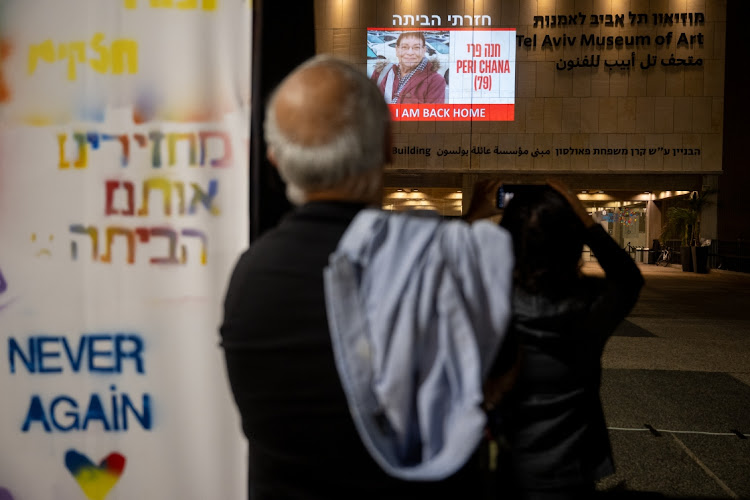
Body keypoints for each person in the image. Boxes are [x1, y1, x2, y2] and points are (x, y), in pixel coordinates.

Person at [219, 55, 517, 499]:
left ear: (274, 158)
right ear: (388, 144)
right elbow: (498, 378)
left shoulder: (250, 276)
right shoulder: (448, 261)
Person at [495, 182, 644, 500]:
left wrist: (475, 217)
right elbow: (628, 278)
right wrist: (586, 220)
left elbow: (434, 277)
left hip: (502, 470)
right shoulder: (588, 304)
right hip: (571, 474)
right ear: (571, 244)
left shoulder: (488, 304)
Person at [371, 32, 447, 104]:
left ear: (424, 50)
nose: (410, 53)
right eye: (404, 47)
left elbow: (432, 116)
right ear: (397, 50)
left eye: (416, 48)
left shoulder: (435, 81)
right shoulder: (381, 72)